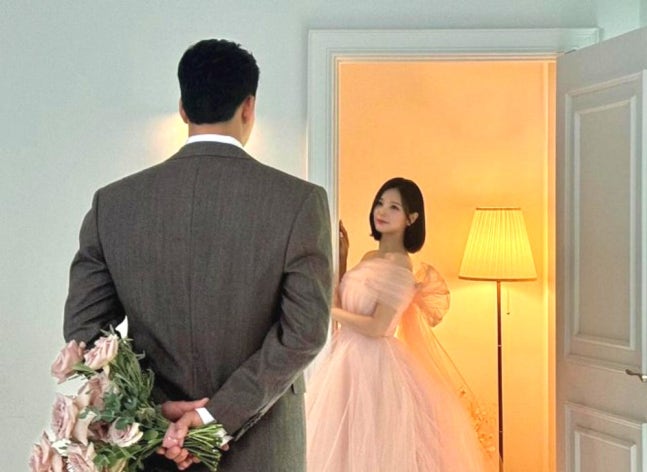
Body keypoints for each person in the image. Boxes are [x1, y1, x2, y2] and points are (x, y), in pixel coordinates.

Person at [63, 38, 333, 471]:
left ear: (183, 108)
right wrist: (215, 416)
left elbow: (85, 334)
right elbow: (304, 333)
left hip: (152, 447)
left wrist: (152, 411)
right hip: (263, 450)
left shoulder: (112, 204)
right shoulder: (299, 202)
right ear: (249, 106)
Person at [306, 177, 496, 471]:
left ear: (412, 218)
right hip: (344, 359)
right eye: (380, 203)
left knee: (374, 448)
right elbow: (346, 305)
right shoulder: (371, 257)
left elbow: (378, 327)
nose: (382, 211)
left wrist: (328, 310)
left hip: (374, 368)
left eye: (394, 207)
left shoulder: (399, 266)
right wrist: (341, 260)